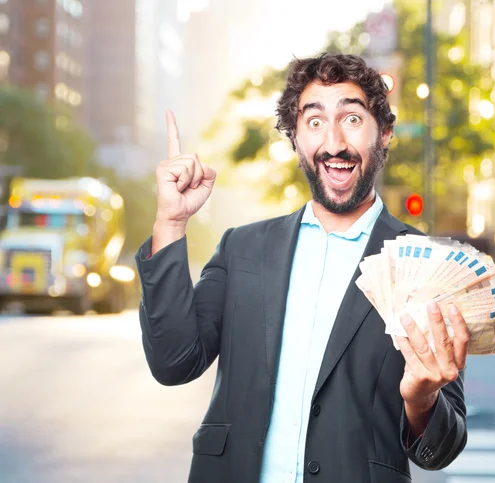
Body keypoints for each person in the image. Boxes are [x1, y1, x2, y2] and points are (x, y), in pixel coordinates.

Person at [135, 54, 469, 483]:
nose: (333, 142)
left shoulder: (425, 265)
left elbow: (442, 450)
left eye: (351, 118)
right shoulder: (242, 249)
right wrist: (171, 222)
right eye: (314, 122)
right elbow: (173, 362)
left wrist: (421, 399)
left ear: (384, 134)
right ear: (295, 139)